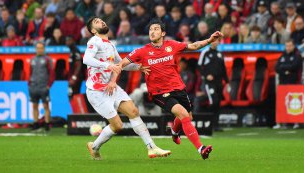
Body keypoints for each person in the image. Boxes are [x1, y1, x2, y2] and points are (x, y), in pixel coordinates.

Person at [117, 19, 223, 159]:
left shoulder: (172, 45)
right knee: (183, 114)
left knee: (187, 116)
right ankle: (201, 149)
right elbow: (122, 64)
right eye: (150, 30)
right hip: (159, 92)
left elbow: (194, 46)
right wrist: (126, 72)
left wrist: (209, 40)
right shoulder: (142, 51)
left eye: (155, 29)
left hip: (178, 88)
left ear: (163, 33)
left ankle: (174, 131)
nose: (152, 32)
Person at [83, 17, 171, 160]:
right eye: (97, 22)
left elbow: (120, 63)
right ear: (93, 30)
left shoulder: (110, 44)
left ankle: (152, 148)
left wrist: (138, 67)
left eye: (101, 20)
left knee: (134, 111)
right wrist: (107, 66)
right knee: (117, 126)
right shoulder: (94, 41)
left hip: (112, 87)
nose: (101, 22)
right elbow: (86, 59)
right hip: (97, 91)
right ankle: (94, 147)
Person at [197, 40, 228, 131]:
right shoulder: (205, 52)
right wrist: (206, 75)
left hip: (219, 82)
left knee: (218, 103)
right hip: (209, 82)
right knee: (213, 101)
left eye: (217, 41)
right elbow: (199, 66)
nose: (215, 43)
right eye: (213, 41)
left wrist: (227, 81)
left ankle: (216, 125)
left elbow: (223, 68)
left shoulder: (220, 54)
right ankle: (208, 123)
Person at [28, 42, 55, 132]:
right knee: (34, 106)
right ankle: (35, 123)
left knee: (45, 106)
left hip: (44, 86)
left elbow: (52, 73)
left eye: (41, 48)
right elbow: (30, 73)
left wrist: (48, 85)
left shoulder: (47, 59)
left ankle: (47, 124)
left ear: (44, 49)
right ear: (36, 49)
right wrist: (29, 84)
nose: (39, 50)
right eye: (38, 48)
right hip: (33, 86)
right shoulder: (32, 60)